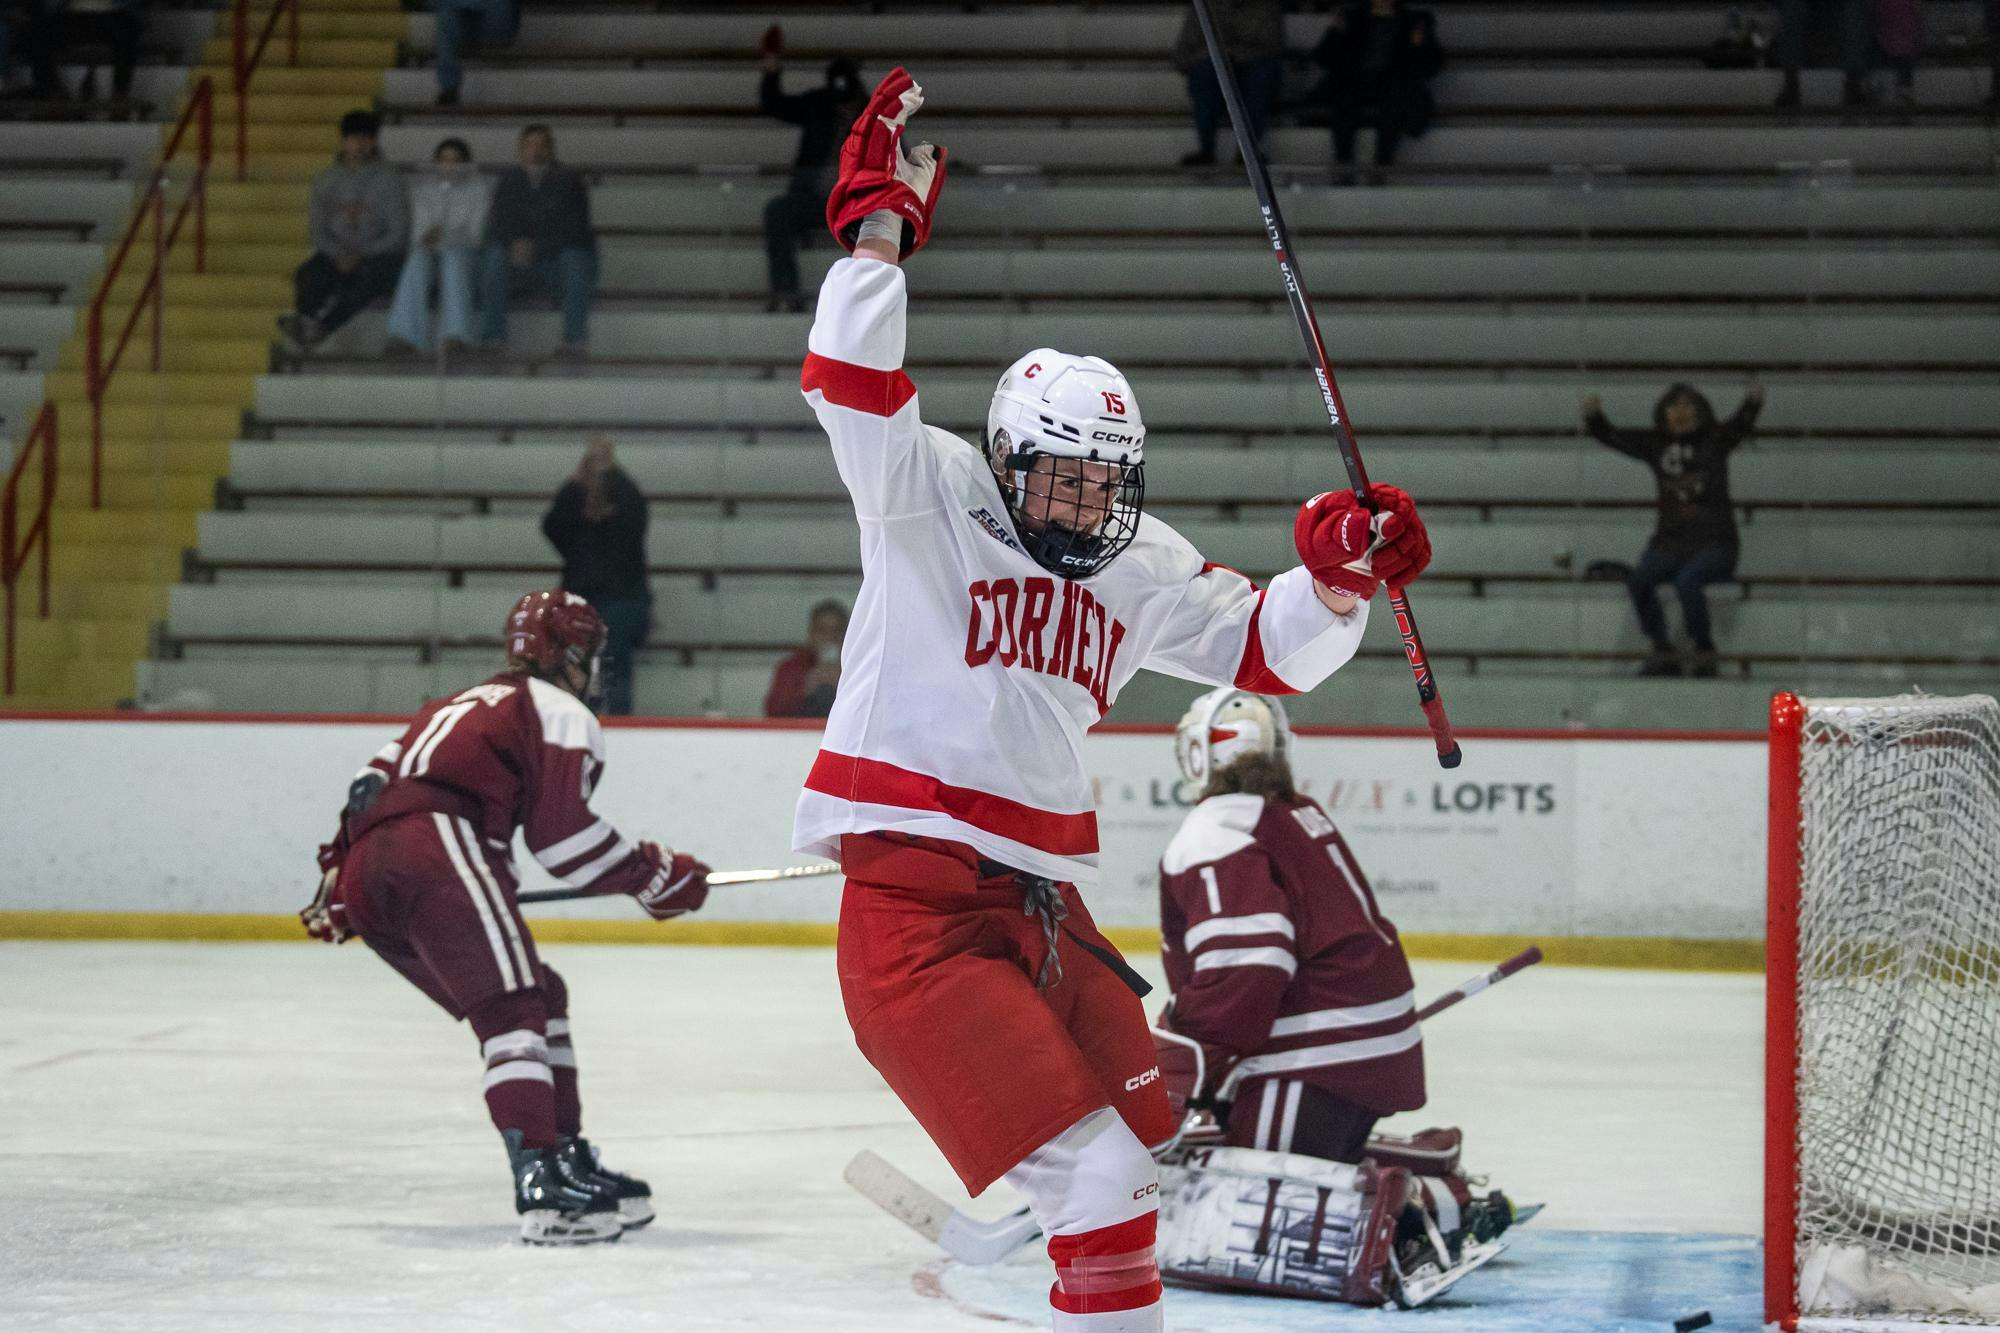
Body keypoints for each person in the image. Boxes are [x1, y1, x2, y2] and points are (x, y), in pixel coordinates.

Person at [796, 68, 1434, 1331]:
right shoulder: (923, 493)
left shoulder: (1137, 566)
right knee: (1098, 1173)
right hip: (919, 919)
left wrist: (1339, 578)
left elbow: (1268, 648)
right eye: (1062, 484)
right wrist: (877, 235)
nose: (1085, 510)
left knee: (1142, 1148)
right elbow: (844, 379)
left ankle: (1066, 1218)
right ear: (1008, 460)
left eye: (1107, 486)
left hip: (1033, 905)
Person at [299, 590, 712, 1245]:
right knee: (515, 1008)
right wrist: (657, 875)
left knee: (541, 992)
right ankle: (543, 1181)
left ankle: (563, 1152)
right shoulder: (558, 709)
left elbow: (368, 789)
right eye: (590, 656)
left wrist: (340, 878)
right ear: (569, 654)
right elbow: (563, 839)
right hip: (439, 846)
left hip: (367, 868)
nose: (594, 671)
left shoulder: (449, 705)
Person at [1147, 686, 1515, 1304]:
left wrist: (1191, 1063)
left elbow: (1250, 966)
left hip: (1312, 1057)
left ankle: (1412, 1205)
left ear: (1201, 753)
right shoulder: (1290, 810)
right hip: (1354, 1042)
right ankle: (1433, 1173)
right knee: (1229, 1144)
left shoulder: (1215, 828)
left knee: (1219, 1197)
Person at [1583, 382, 1763, 678]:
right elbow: (1616, 438)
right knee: (1640, 579)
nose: (1681, 414)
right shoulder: (1656, 445)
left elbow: (1740, 425)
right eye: (1674, 407)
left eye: (1688, 407)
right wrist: (1595, 419)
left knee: (1688, 581)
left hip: (1715, 544)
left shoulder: (1714, 441)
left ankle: (1704, 648)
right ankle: (1661, 646)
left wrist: (1752, 403)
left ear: (1701, 411)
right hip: (1670, 544)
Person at [278, 110, 408, 352]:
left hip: (379, 256)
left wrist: (361, 254)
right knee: (308, 274)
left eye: (365, 139)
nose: (359, 145)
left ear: (373, 141)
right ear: (343, 142)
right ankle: (307, 322)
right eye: (353, 139)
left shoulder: (390, 180)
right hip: (336, 253)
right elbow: (317, 230)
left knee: (369, 278)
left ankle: (322, 328)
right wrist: (338, 255)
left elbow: (398, 234)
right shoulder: (325, 180)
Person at [757, 25, 864, 314]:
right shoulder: (818, 104)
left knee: (881, 225)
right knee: (777, 212)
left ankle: (861, 307)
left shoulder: (874, 116)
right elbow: (773, 104)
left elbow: (898, 157)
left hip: (857, 206)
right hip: (813, 198)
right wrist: (771, 65)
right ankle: (786, 291)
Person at [540, 436, 649, 716]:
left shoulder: (622, 502)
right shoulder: (586, 504)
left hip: (613, 596)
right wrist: (583, 481)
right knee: (596, 664)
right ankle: (594, 716)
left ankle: (607, 718)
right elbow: (553, 526)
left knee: (609, 663)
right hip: (603, 595)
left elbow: (553, 527)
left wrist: (587, 478)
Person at [479, 124, 597, 359]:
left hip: (555, 264)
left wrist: (535, 247)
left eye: (542, 145)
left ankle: (574, 339)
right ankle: (493, 337)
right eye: (529, 145)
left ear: (551, 149)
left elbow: (576, 230)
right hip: (519, 263)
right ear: (520, 149)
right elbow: (497, 224)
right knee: (494, 255)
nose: (535, 150)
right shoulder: (509, 180)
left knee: (575, 257)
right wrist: (515, 244)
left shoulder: (569, 180)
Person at [1312, 0, 1444, 179]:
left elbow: (1433, 64)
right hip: (1355, 82)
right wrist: (1336, 33)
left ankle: (1382, 164)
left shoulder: (1414, 21)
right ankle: (1344, 162)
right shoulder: (1352, 18)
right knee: (1345, 95)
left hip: (1394, 84)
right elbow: (1324, 57)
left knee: (1394, 96)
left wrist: (1417, 46)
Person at [385, 137, 490, 358]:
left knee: (452, 257)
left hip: (467, 256)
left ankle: (456, 335)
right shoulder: (423, 190)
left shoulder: (479, 189)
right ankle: (404, 335)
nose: (450, 165)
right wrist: (432, 238)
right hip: (431, 252)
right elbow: (419, 236)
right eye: (444, 160)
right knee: (417, 259)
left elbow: (476, 236)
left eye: (456, 160)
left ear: (466, 164)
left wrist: (446, 237)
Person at [1171, 0, 1284, 168]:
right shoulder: (1203, 9)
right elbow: (1182, 57)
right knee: (1206, 73)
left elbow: (1273, 49)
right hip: (1211, 73)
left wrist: (1234, 54)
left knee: (1264, 75)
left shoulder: (1266, 7)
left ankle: (1248, 151)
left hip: (1253, 70)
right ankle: (1206, 148)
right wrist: (1216, 56)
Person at [22, 0, 143, 102]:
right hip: (72, 16)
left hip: (112, 15)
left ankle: (119, 95)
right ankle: (52, 92)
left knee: (127, 27)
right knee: (37, 32)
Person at [763, 598, 848, 718]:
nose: (830, 637)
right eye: (822, 630)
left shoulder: (856, 669)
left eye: (836, 631)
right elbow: (773, 711)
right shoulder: (792, 667)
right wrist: (805, 688)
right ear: (811, 633)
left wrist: (845, 685)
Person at [431, 0, 516, 108]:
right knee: (446, 17)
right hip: (467, 24)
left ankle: (449, 86)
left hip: (498, 23)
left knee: (447, 8)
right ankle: (449, 87)